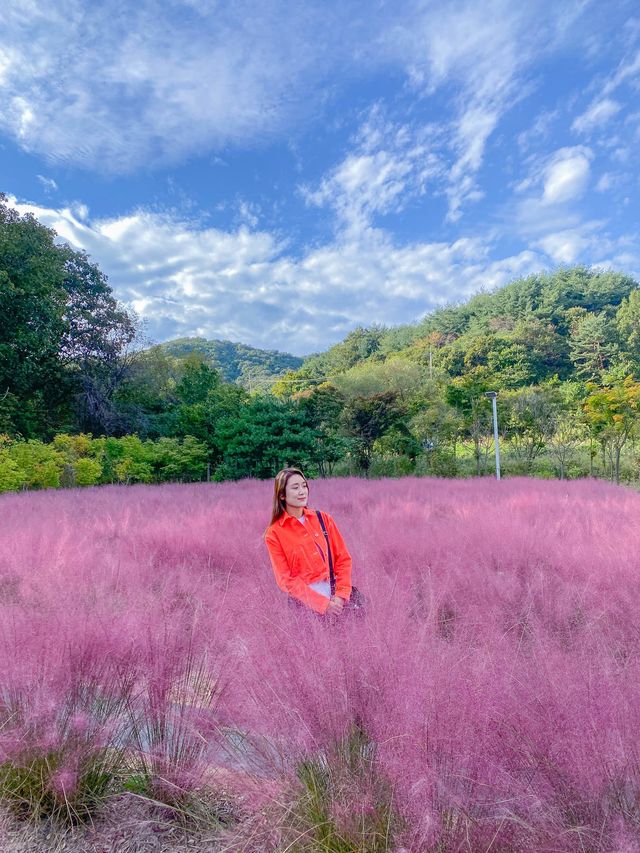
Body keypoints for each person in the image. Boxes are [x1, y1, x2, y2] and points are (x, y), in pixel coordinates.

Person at [264, 468, 352, 616]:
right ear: (282, 495)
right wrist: (322, 604)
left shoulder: (324, 519)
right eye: (295, 487)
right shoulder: (274, 533)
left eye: (304, 486)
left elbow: (343, 559)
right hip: (303, 607)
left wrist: (340, 597)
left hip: (336, 599)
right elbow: (286, 580)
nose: (302, 491)